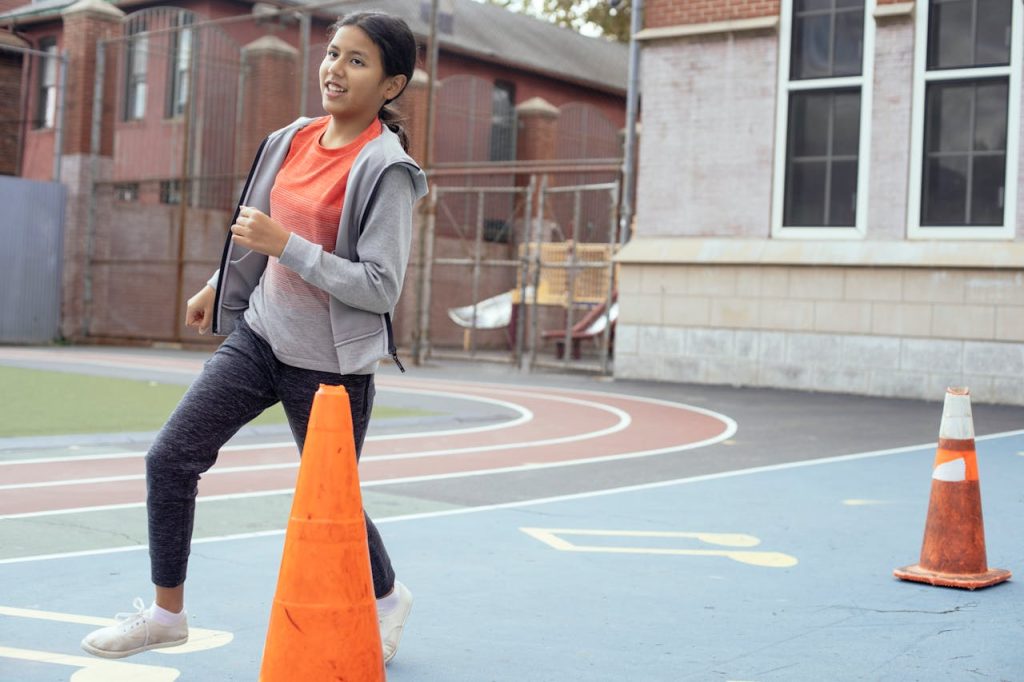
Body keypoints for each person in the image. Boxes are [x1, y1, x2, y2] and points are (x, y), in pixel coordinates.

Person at [80, 11, 427, 665]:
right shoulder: (291, 138)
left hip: (330, 369)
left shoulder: (389, 171)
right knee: (170, 458)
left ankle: (387, 597)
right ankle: (165, 615)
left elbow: (379, 287)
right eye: (333, 53)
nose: (335, 68)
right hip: (261, 337)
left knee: (333, 503)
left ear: (391, 85)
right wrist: (221, 281)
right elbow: (258, 234)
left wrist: (286, 247)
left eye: (357, 61)